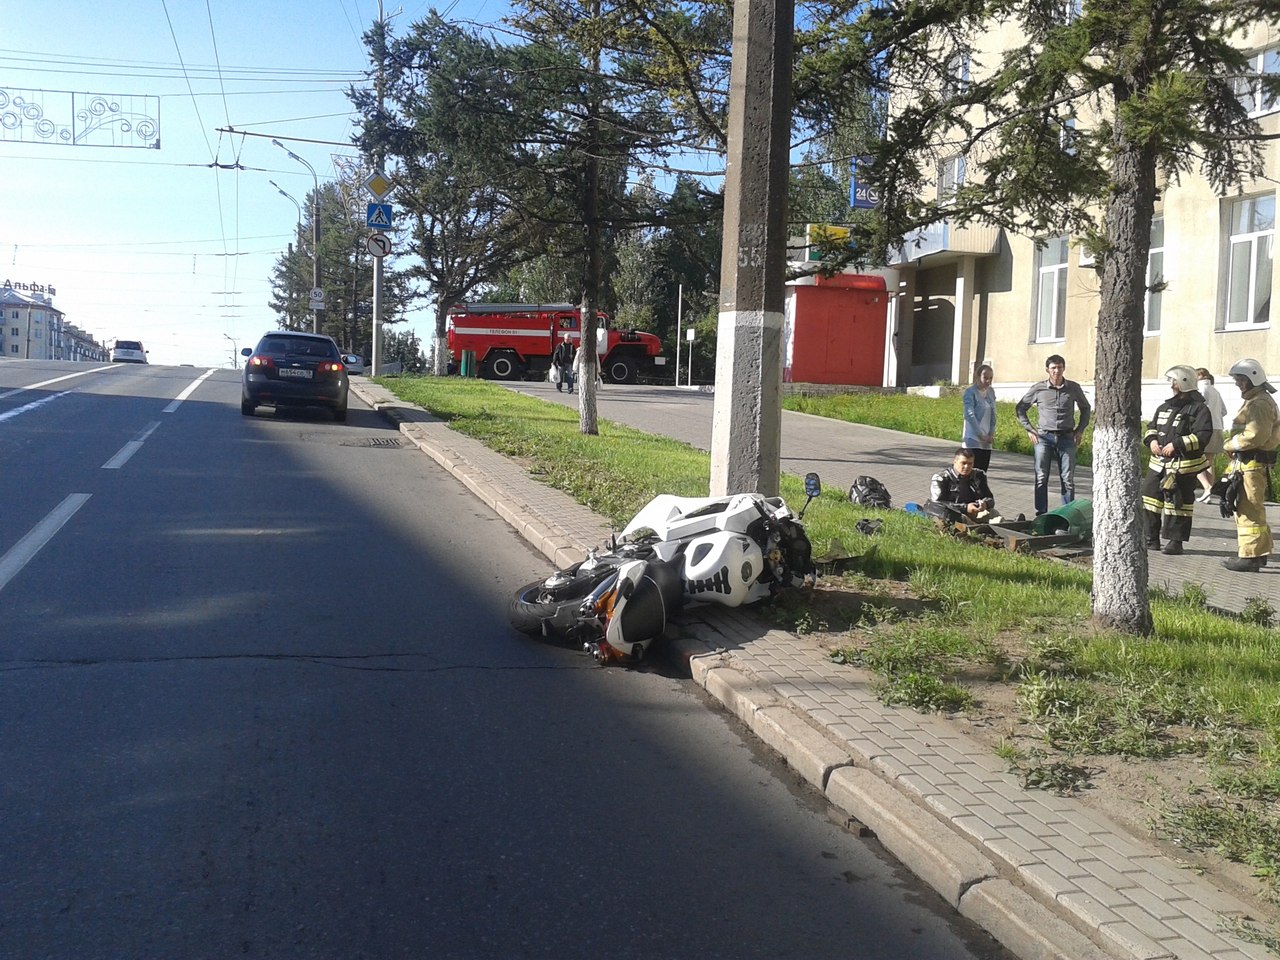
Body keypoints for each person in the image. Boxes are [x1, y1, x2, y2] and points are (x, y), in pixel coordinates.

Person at [1141, 365, 1212, 555]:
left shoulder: (1199, 410)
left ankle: (1175, 542)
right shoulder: (1164, 406)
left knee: (1178, 504)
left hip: (1183, 467)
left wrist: (1177, 444)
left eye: (1175, 381)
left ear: (1184, 382)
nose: (1172, 385)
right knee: (1149, 499)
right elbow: (1152, 427)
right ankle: (1150, 539)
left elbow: (1202, 436)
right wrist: (1152, 441)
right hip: (1158, 465)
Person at [1221, 357, 1280, 572]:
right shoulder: (1255, 400)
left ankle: (1249, 557)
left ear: (1253, 379)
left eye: (1241, 380)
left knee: (1249, 511)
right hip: (1248, 463)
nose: (1238, 384)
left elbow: (1256, 434)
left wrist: (1230, 444)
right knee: (1251, 509)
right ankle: (1259, 553)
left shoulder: (1260, 403)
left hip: (1252, 464)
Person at [1015, 354, 1092, 517]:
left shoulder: (1073, 388)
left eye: (1059, 367)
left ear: (1064, 368)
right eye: (1053, 368)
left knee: (1068, 478)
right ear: (1047, 370)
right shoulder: (1039, 389)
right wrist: (1029, 429)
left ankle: (1067, 515)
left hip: (1067, 437)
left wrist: (1080, 430)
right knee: (1042, 476)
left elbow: (1086, 408)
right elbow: (1021, 408)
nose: (1057, 371)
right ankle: (1041, 514)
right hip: (1044, 438)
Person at [929, 447, 997, 520]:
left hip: (975, 512)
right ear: (955, 461)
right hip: (953, 514)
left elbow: (990, 498)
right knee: (964, 520)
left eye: (970, 464)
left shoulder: (979, 475)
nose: (967, 467)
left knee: (994, 514)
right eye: (963, 463)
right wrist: (965, 508)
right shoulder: (941, 478)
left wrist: (984, 504)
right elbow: (937, 504)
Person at [1193, 367, 1229, 502]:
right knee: (1208, 462)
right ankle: (1209, 492)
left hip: (1205, 429)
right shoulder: (1215, 391)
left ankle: (1207, 487)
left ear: (1200, 376)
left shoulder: (1201, 390)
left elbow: (1199, 409)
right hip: (1218, 427)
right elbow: (1224, 411)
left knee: (1195, 460)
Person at [962, 364, 997, 472]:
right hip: (973, 438)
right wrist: (980, 434)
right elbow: (969, 415)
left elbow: (993, 414)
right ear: (977, 377)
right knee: (971, 472)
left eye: (990, 378)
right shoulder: (970, 392)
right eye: (985, 377)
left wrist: (990, 434)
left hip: (986, 439)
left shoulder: (991, 392)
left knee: (982, 473)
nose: (988, 381)